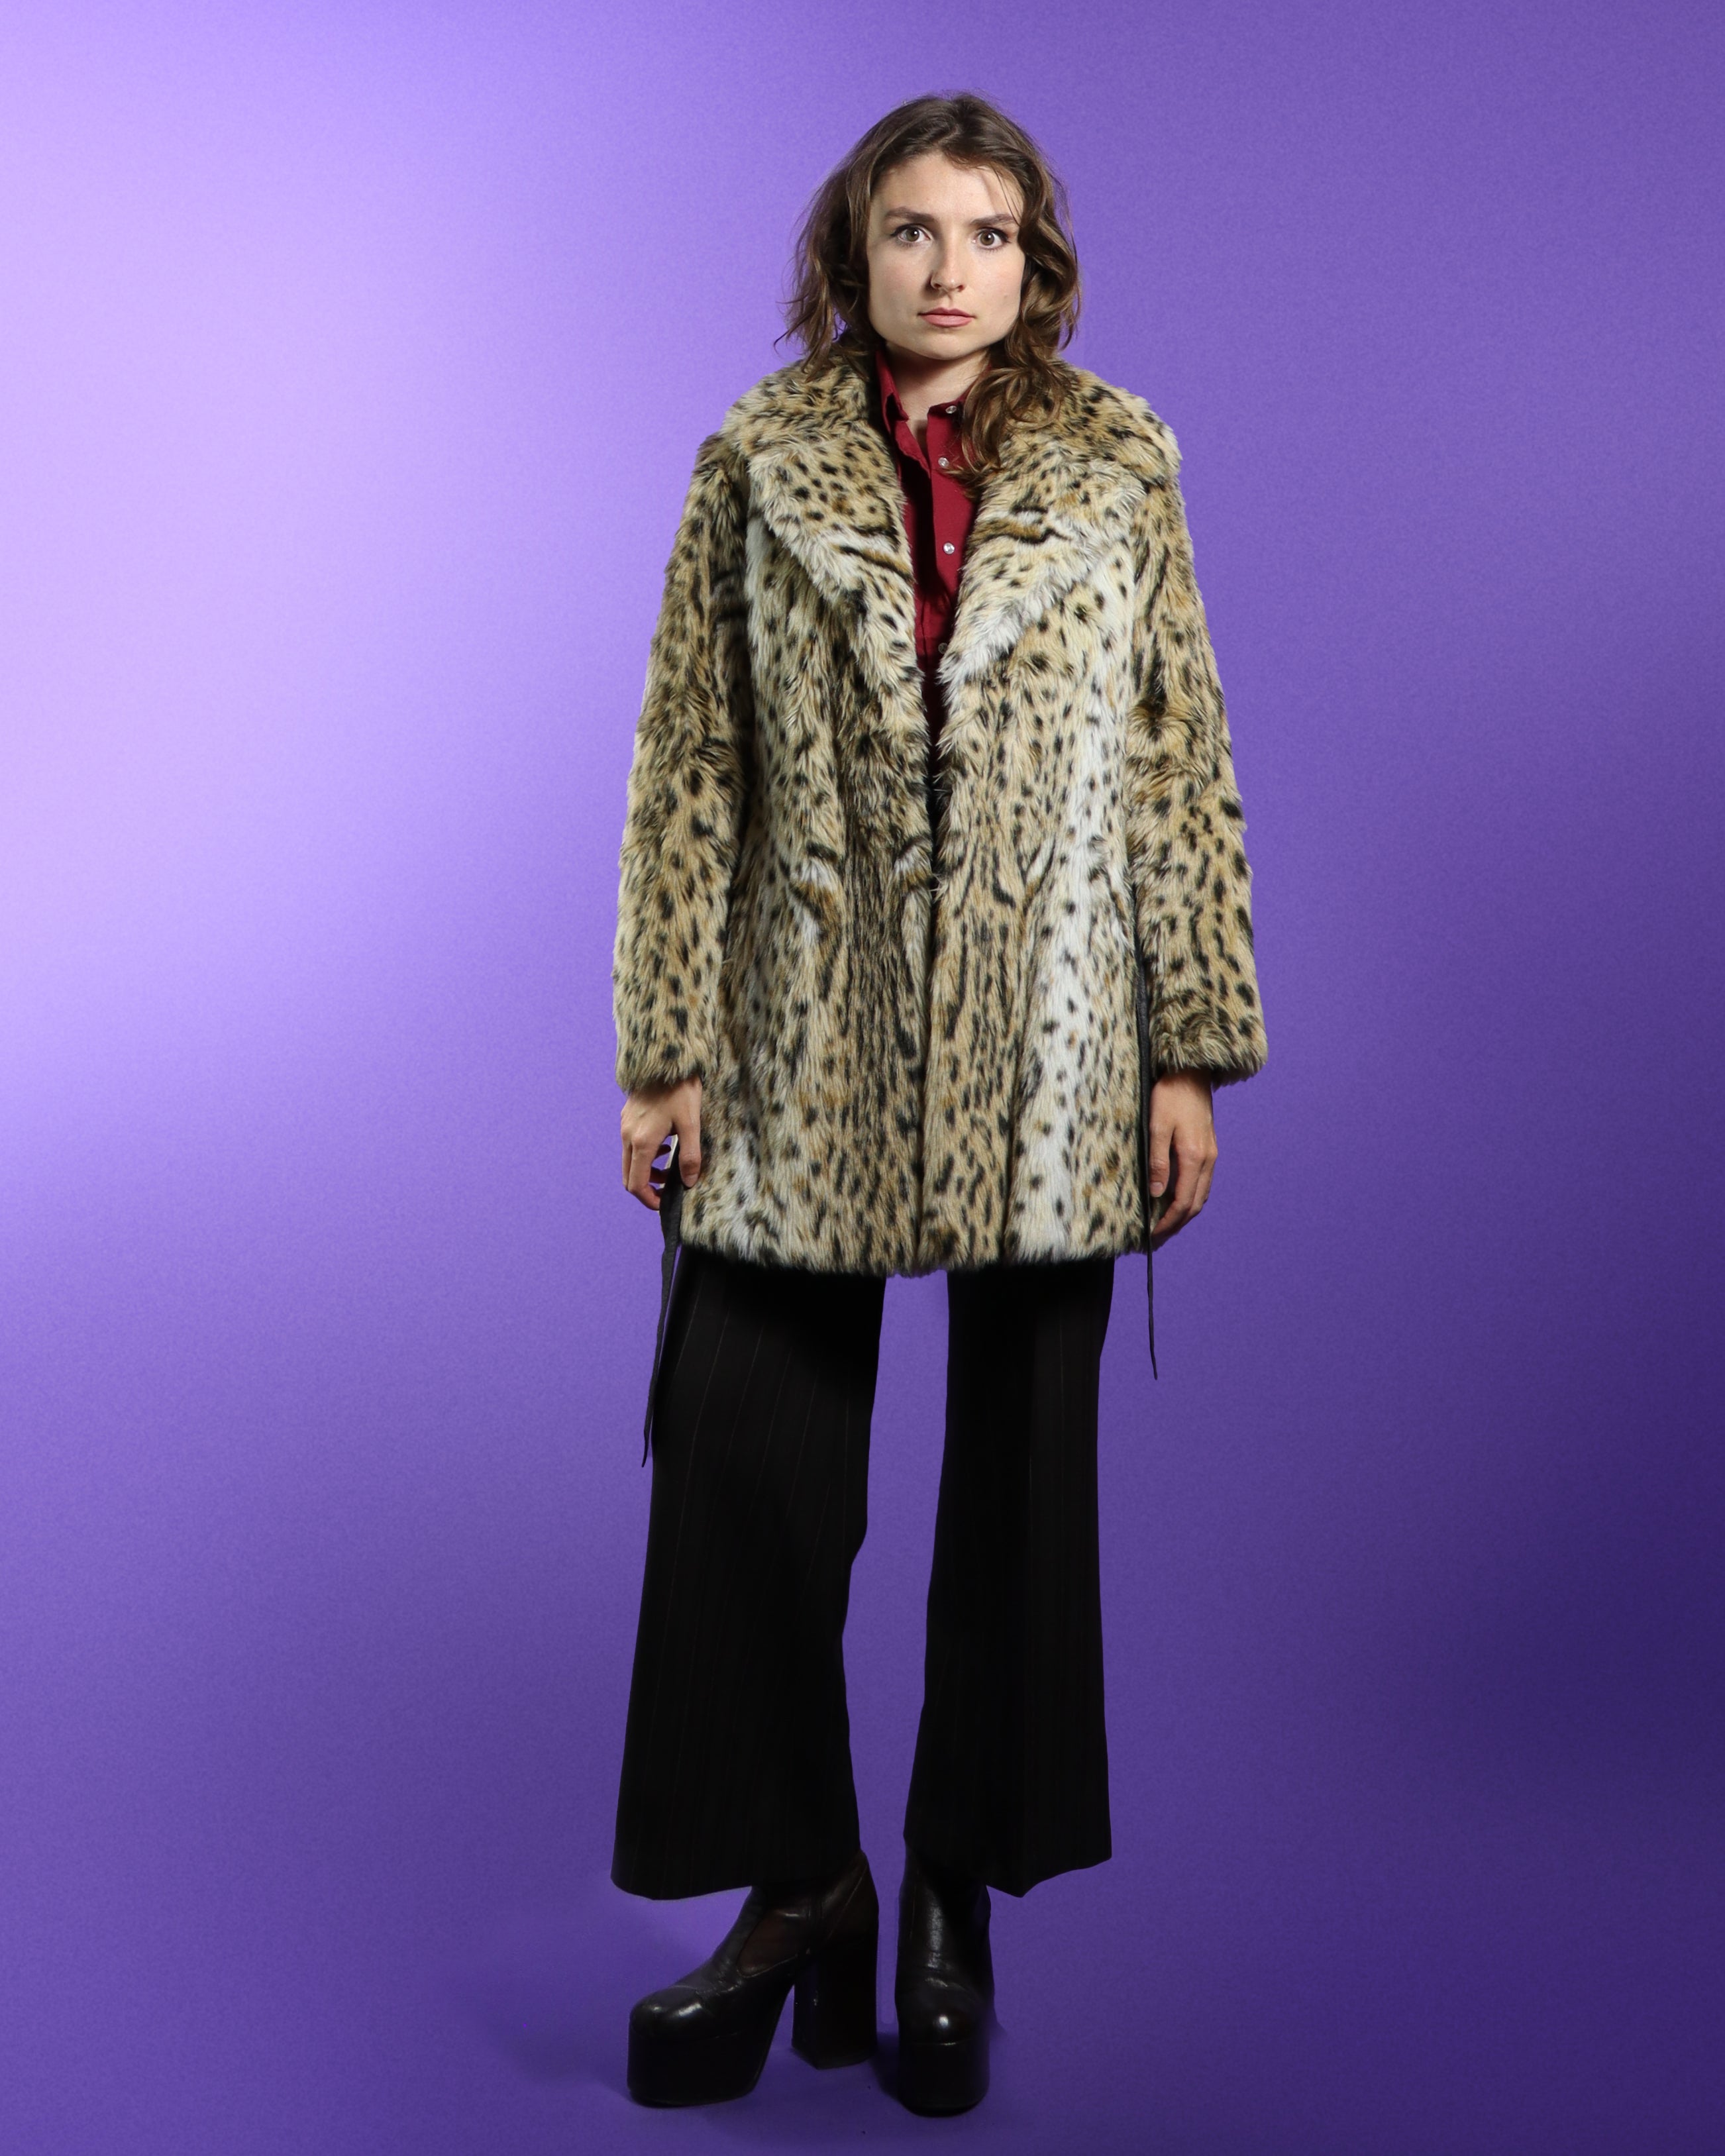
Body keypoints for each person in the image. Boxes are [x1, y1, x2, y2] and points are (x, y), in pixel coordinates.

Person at [607, 91, 1266, 2115]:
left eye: (986, 232)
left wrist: (1185, 1048)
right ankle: (800, 1884)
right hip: (798, 1031)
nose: (947, 266)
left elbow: (1173, 762)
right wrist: (662, 1041)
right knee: (742, 1467)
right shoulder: (756, 459)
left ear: (1032, 262)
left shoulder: (1119, 462)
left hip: (1054, 1042)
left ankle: (951, 1902)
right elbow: (689, 757)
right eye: (910, 229)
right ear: (854, 252)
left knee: (1019, 1497)